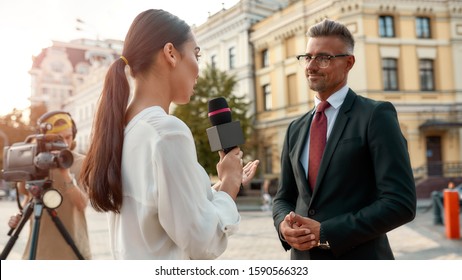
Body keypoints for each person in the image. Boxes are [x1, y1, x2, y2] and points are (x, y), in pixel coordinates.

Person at [79, 9, 259, 260]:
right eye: (196, 54)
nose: (198, 69)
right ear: (171, 54)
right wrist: (229, 185)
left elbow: (162, 209)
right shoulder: (167, 132)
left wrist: (222, 184)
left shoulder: (123, 130)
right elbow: (202, 242)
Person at [272, 18, 416, 260]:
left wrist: (327, 233)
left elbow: (400, 203)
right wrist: (282, 227)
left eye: (323, 58)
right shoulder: (295, 128)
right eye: (307, 57)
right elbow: (283, 197)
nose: (311, 66)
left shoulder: (375, 116)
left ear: (348, 63)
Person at [8, 111, 91, 259]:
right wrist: (19, 216)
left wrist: (65, 174)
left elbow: (82, 203)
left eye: (68, 137)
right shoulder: (35, 161)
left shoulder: (81, 162)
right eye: (59, 139)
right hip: (38, 250)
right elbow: (30, 198)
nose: (65, 143)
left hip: (72, 250)